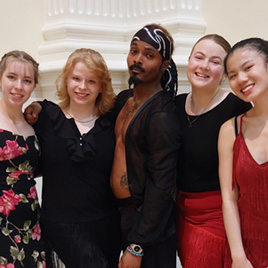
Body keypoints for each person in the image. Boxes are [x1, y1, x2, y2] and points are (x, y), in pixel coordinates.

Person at [24, 48, 121, 268]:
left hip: (106, 225)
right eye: (76, 78)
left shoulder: (111, 121)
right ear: (66, 80)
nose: (82, 87)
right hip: (62, 224)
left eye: (91, 81)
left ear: (101, 86)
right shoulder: (46, 117)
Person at [175, 34, 252, 267]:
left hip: (217, 216)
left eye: (215, 61)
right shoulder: (175, 105)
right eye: (199, 57)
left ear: (225, 73)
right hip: (180, 214)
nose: (204, 66)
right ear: (189, 61)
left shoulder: (237, 108)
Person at [110, 24, 181, 268]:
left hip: (148, 226)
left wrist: (137, 245)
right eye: (134, 51)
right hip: (120, 216)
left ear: (164, 65)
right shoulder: (123, 101)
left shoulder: (162, 115)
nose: (137, 59)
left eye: (149, 55)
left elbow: (162, 186)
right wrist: (42, 107)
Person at [218, 37, 268, 268]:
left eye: (248, 68)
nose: (241, 79)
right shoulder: (230, 129)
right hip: (245, 251)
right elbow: (229, 198)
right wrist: (238, 257)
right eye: (233, 75)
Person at [0, 51, 46, 267]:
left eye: (26, 80)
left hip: (30, 223)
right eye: (11, 77)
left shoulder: (34, 124)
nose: (18, 86)